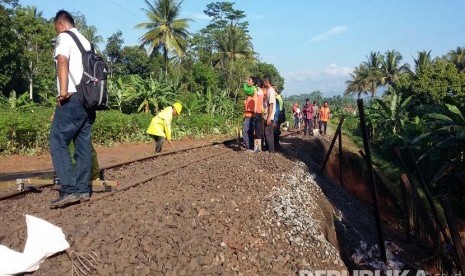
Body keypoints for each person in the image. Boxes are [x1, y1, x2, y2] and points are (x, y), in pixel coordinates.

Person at [49, 10, 95, 208]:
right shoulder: (87, 42)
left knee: (57, 140)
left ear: (60, 25)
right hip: (89, 100)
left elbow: (62, 60)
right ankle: (83, 189)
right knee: (82, 144)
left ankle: (69, 189)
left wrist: (63, 92)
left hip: (73, 97)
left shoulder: (64, 37)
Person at [263, 75, 276, 153]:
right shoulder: (269, 90)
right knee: (267, 133)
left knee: (269, 134)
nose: (263, 83)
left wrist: (269, 117)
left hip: (269, 116)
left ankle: (271, 150)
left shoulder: (270, 91)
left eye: (264, 81)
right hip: (267, 115)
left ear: (267, 81)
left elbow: (271, 104)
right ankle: (269, 149)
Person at [242, 77, 256, 151]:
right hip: (249, 114)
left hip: (250, 115)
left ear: (253, 83)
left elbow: (245, 89)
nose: (248, 82)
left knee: (245, 130)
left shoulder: (252, 89)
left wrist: (244, 83)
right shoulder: (252, 90)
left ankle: (247, 146)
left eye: (249, 80)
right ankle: (249, 146)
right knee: (250, 131)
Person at [252, 78, 265, 152]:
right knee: (259, 130)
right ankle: (260, 147)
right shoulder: (261, 91)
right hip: (260, 112)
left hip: (256, 112)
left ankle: (257, 149)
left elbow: (255, 101)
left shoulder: (256, 90)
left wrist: (254, 110)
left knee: (257, 131)